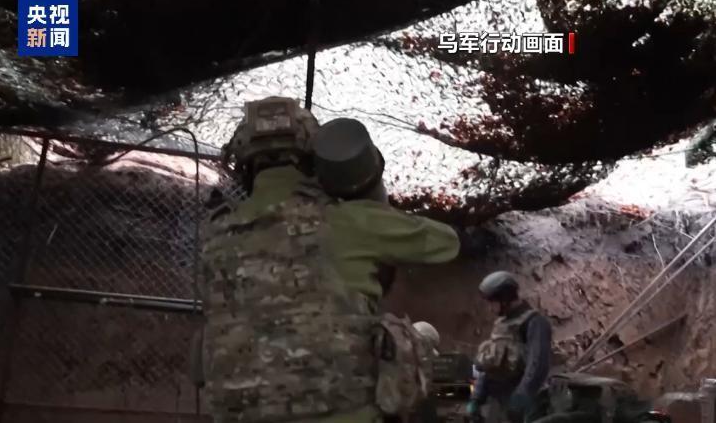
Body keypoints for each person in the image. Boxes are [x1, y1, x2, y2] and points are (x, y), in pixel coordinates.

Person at [193, 102, 461, 423]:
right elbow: (446, 243)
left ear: (243, 165)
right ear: (312, 158)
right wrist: (369, 195)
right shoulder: (346, 222)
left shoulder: (216, 238)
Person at [467, 271, 552, 423]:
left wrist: (521, 397)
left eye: (492, 303)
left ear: (505, 299)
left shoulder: (535, 323)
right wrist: (477, 398)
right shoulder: (501, 324)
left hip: (525, 404)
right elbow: (491, 364)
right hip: (499, 402)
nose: (490, 309)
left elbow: (538, 366)